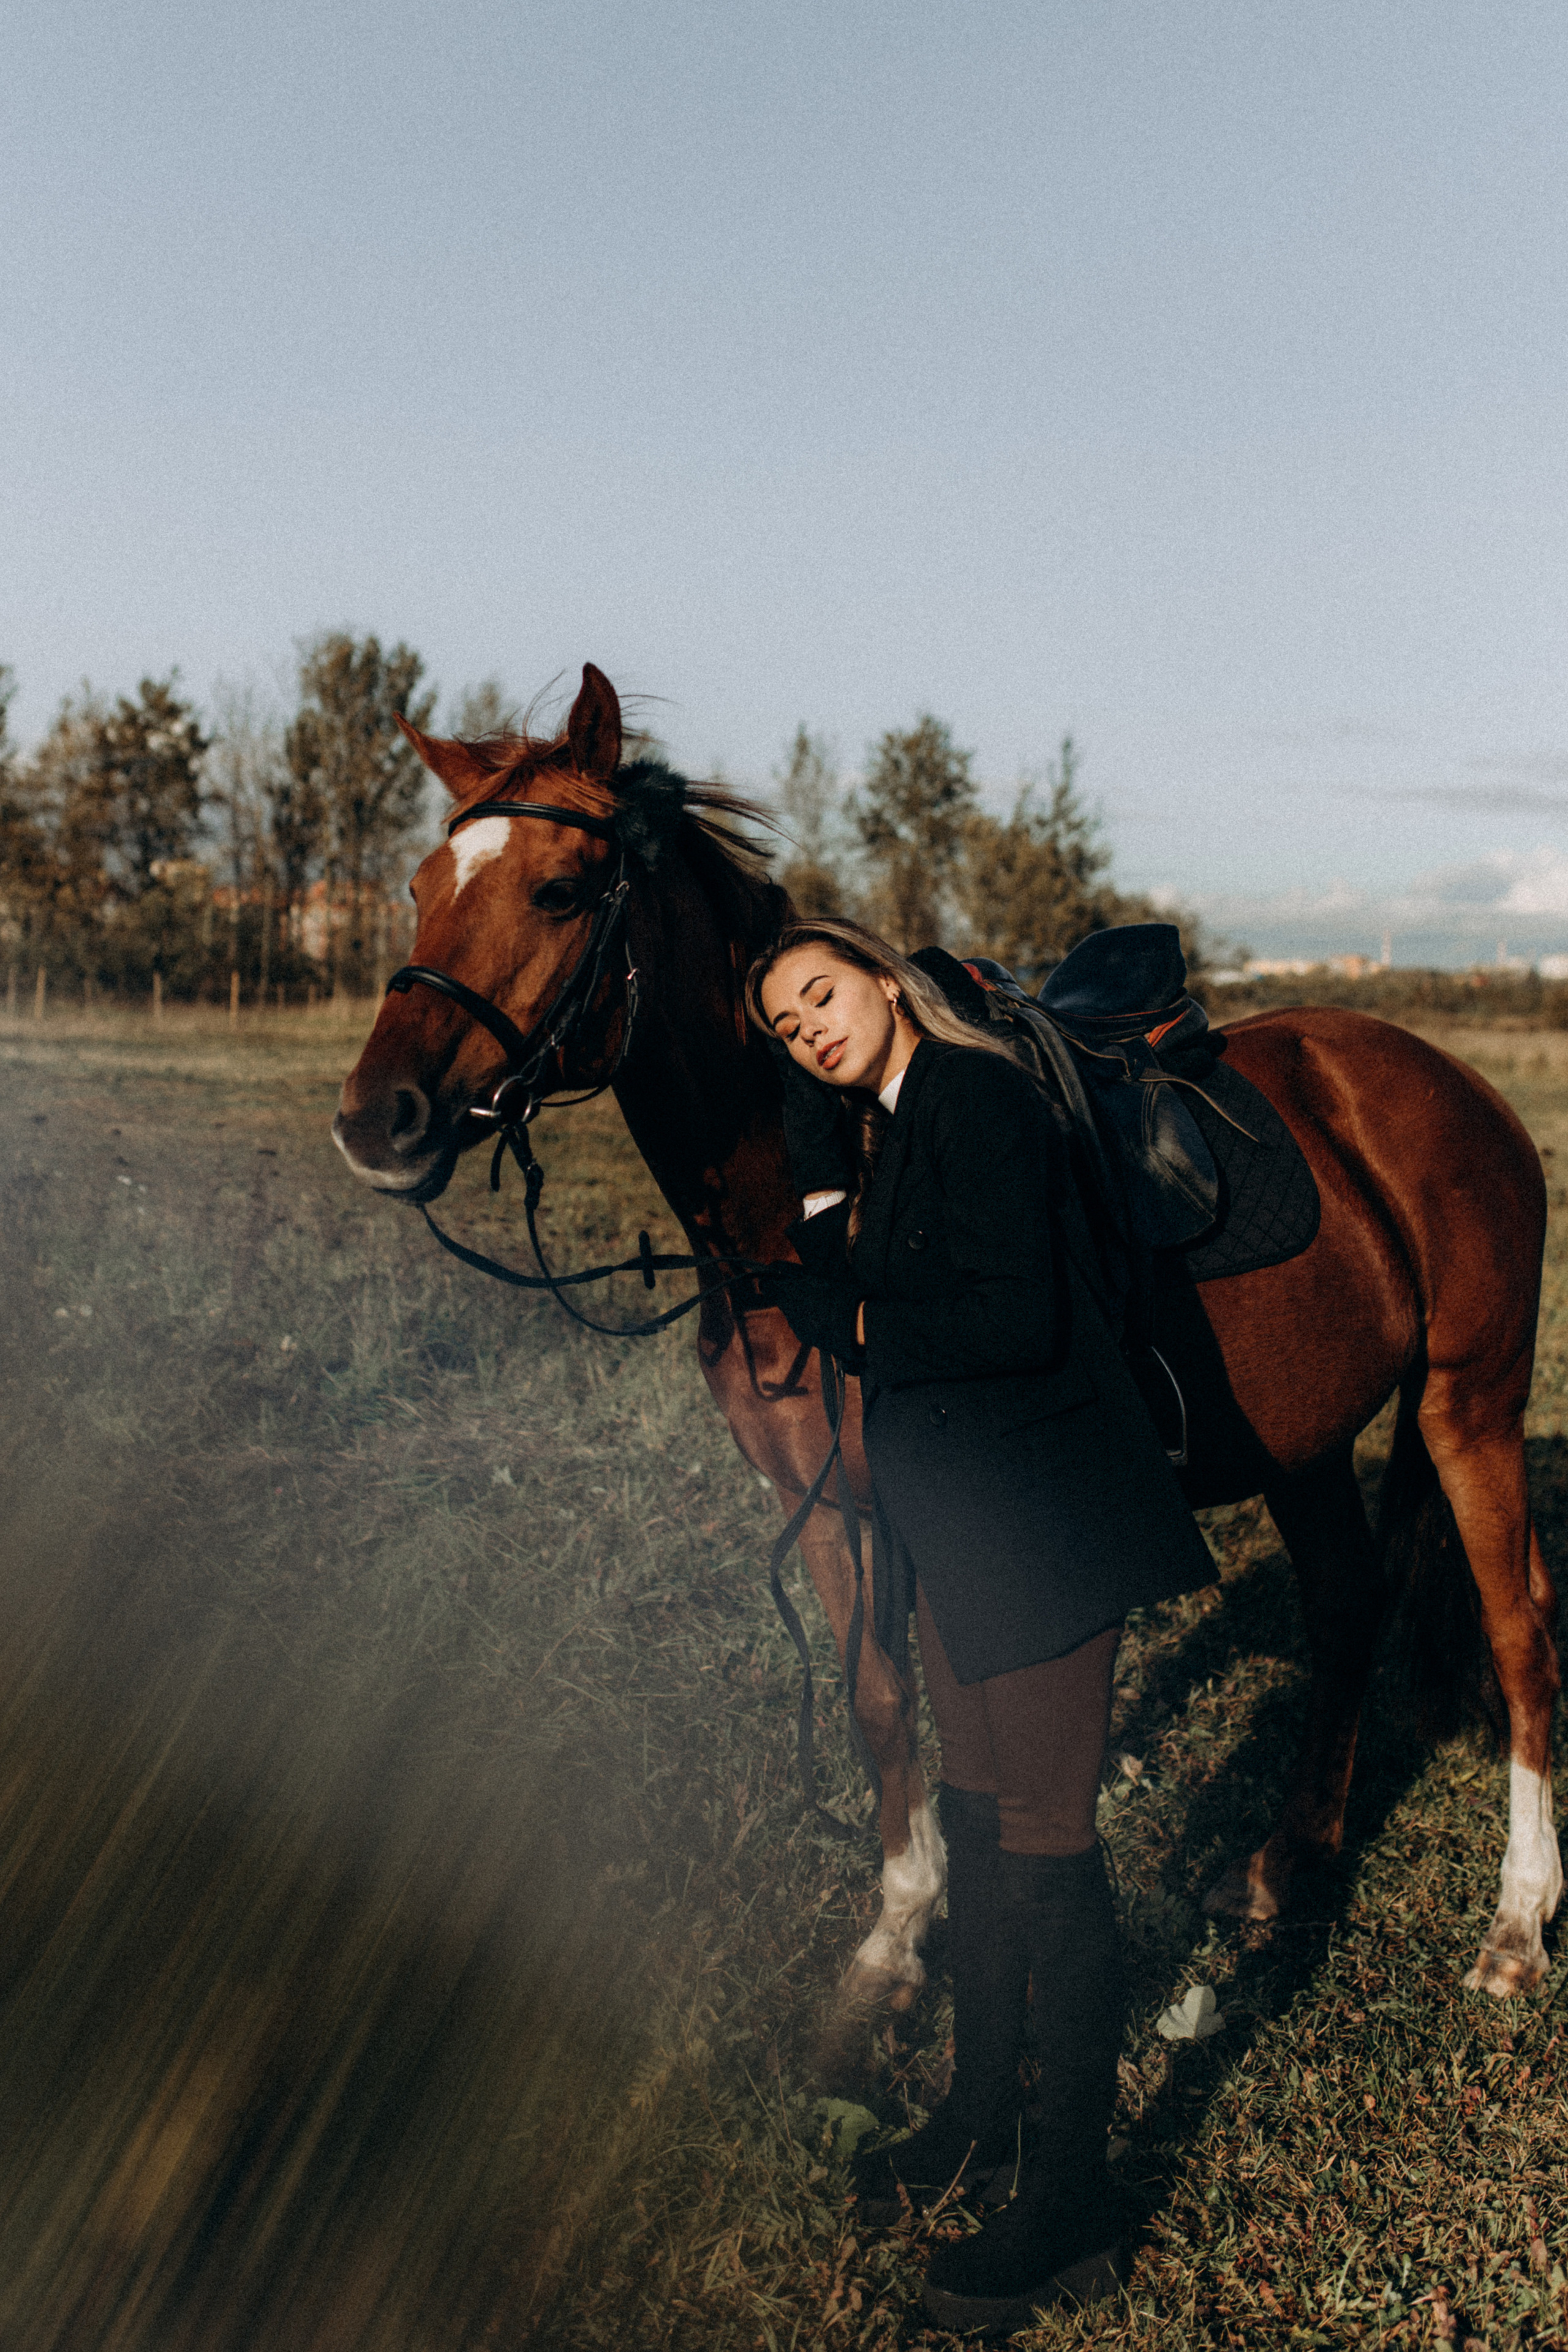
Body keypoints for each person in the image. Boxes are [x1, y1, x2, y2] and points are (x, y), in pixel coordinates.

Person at [745, 918, 1216, 2340]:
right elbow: (870, 1270)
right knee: (978, 1809)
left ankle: (1071, 2201)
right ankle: (972, 2114)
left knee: (1051, 1846)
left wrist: (849, 1317)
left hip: (1045, 1516)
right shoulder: (887, 1123)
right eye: (784, 1027)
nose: (809, 1030)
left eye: (820, 997)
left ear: (885, 982)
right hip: (960, 1525)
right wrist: (827, 1247)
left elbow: (1011, 1314)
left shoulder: (984, 1100)